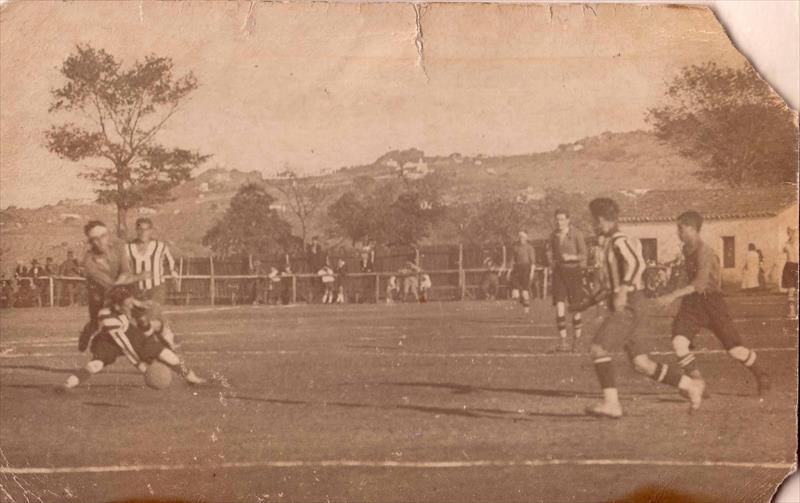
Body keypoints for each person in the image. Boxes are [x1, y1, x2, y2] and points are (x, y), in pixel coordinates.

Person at [583, 198, 704, 419]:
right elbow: (612, 281)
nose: (592, 224)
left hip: (629, 304)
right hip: (632, 303)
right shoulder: (608, 242)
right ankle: (690, 385)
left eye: (593, 219)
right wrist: (589, 301)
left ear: (600, 219)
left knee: (599, 349)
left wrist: (623, 290)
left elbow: (637, 264)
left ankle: (612, 404)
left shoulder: (619, 240)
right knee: (642, 364)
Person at [658, 211, 770, 397]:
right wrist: (675, 298)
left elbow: (700, 283)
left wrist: (673, 295)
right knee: (679, 342)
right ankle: (697, 383)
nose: (678, 233)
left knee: (735, 350)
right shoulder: (686, 250)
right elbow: (687, 278)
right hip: (692, 304)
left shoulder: (706, 252)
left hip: (712, 303)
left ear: (692, 229)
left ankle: (761, 374)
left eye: (681, 228)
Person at [58, 286, 206, 392]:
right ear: (117, 306)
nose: (130, 306)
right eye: (127, 304)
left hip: (129, 332)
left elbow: (139, 316)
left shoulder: (125, 303)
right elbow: (125, 347)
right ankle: (68, 384)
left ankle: (190, 377)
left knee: (167, 354)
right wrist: (143, 368)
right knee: (97, 364)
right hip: (109, 340)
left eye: (131, 302)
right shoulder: (107, 317)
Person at [79, 221, 150, 352]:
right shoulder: (89, 262)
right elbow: (109, 287)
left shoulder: (118, 247)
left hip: (122, 287)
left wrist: (127, 285)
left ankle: (151, 349)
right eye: (95, 239)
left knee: (143, 319)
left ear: (108, 234)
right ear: (90, 242)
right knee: (96, 323)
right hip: (100, 294)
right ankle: (88, 331)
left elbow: (125, 271)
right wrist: (133, 296)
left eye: (103, 236)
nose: (100, 241)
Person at [126, 218, 178, 347]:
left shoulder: (159, 246)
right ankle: (165, 331)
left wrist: (174, 274)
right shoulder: (128, 248)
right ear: (136, 230)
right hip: (137, 290)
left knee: (151, 315)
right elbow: (124, 267)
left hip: (156, 287)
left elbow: (171, 262)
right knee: (141, 321)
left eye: (146, 229)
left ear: (151, 230)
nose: (143, 232)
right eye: (140, 229)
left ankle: (159, 344)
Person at [549, 209, 588, 352]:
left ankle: (577, 342)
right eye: (557, 219)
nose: (559, 222)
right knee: (559, 305)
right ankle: (563, 341)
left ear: (568, 220)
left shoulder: (577, 234)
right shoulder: (553, 235)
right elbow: (551, 252)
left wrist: (571, 258)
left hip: (574, 272)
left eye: (561, 219)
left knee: (575, 307)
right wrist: (552, 262)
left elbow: (584, 255)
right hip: (559, 272)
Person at [507, 231, 536, 314]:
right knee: (515, 290)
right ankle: (521, 299)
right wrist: (509, 271)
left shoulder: (530, 248)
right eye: (520, 237)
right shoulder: (515, 247)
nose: (521, 239)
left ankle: (526, 309)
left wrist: (532, 272)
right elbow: (512, 260)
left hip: (526, 268)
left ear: (526, 238)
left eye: (523, 237)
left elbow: (533, 262)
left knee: (525, 290)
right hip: (517, 268)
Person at [782, 227, 798, 318]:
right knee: (791, 290)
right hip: (790, 266)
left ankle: (792, 311)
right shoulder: (787, 244)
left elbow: (784, 250)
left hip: (790, 265)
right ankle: (792, 311)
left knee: (792, 289)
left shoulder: (787, 244)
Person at [307, 236, 327, 303]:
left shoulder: (319, 247)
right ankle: (312, 297)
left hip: (318, 266)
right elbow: (308, 257)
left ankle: (319, 297)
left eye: (315, 240)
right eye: (313, 240)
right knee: (312, 282)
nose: (314, 242)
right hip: (311, 266)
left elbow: (319, 256)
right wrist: (312, 253)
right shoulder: (309, 247)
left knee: (319, 281)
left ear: (317, 241)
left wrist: (315, 252)